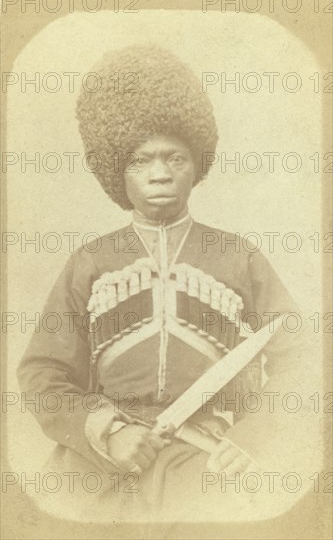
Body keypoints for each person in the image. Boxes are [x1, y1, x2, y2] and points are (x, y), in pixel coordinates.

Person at [17, 45, 319, 522]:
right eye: (141, 160)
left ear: (197, 164)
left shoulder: (239, 257)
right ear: (118, 169)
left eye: (174, 158)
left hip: (211, 466)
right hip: (101, 470)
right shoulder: (90, 262)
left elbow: (308, 363)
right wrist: (108, 432)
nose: (159, 173)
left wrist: (252, 438)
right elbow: (43, 376)